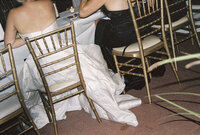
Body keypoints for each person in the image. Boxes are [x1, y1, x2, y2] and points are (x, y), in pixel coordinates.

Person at [4, 0, 142, 129]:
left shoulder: (13, 14)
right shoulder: (47, 3)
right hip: (69, 60)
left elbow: (9, 44)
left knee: (28, 75)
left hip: (46, 69)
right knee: (90, 54)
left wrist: (29, 38)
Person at [79, 0, 166, 91]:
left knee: (100, 26)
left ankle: (112, 68)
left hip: (125, 35)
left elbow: (82, 13)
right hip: (140, 28)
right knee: (104, 24)